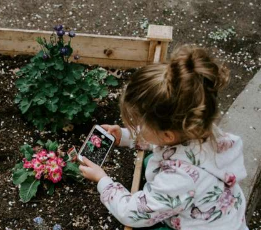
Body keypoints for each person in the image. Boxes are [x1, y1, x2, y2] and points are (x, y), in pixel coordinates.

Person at [79, 45, 248, 230]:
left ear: (167, 135)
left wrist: (103, 180)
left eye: (141, 124)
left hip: (196, 224)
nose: (137, 127)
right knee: (152, 160)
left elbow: (131, 214)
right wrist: (126, 136)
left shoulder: (178, 179)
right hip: (222, 215)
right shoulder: (198, 128)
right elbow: (161, 142)